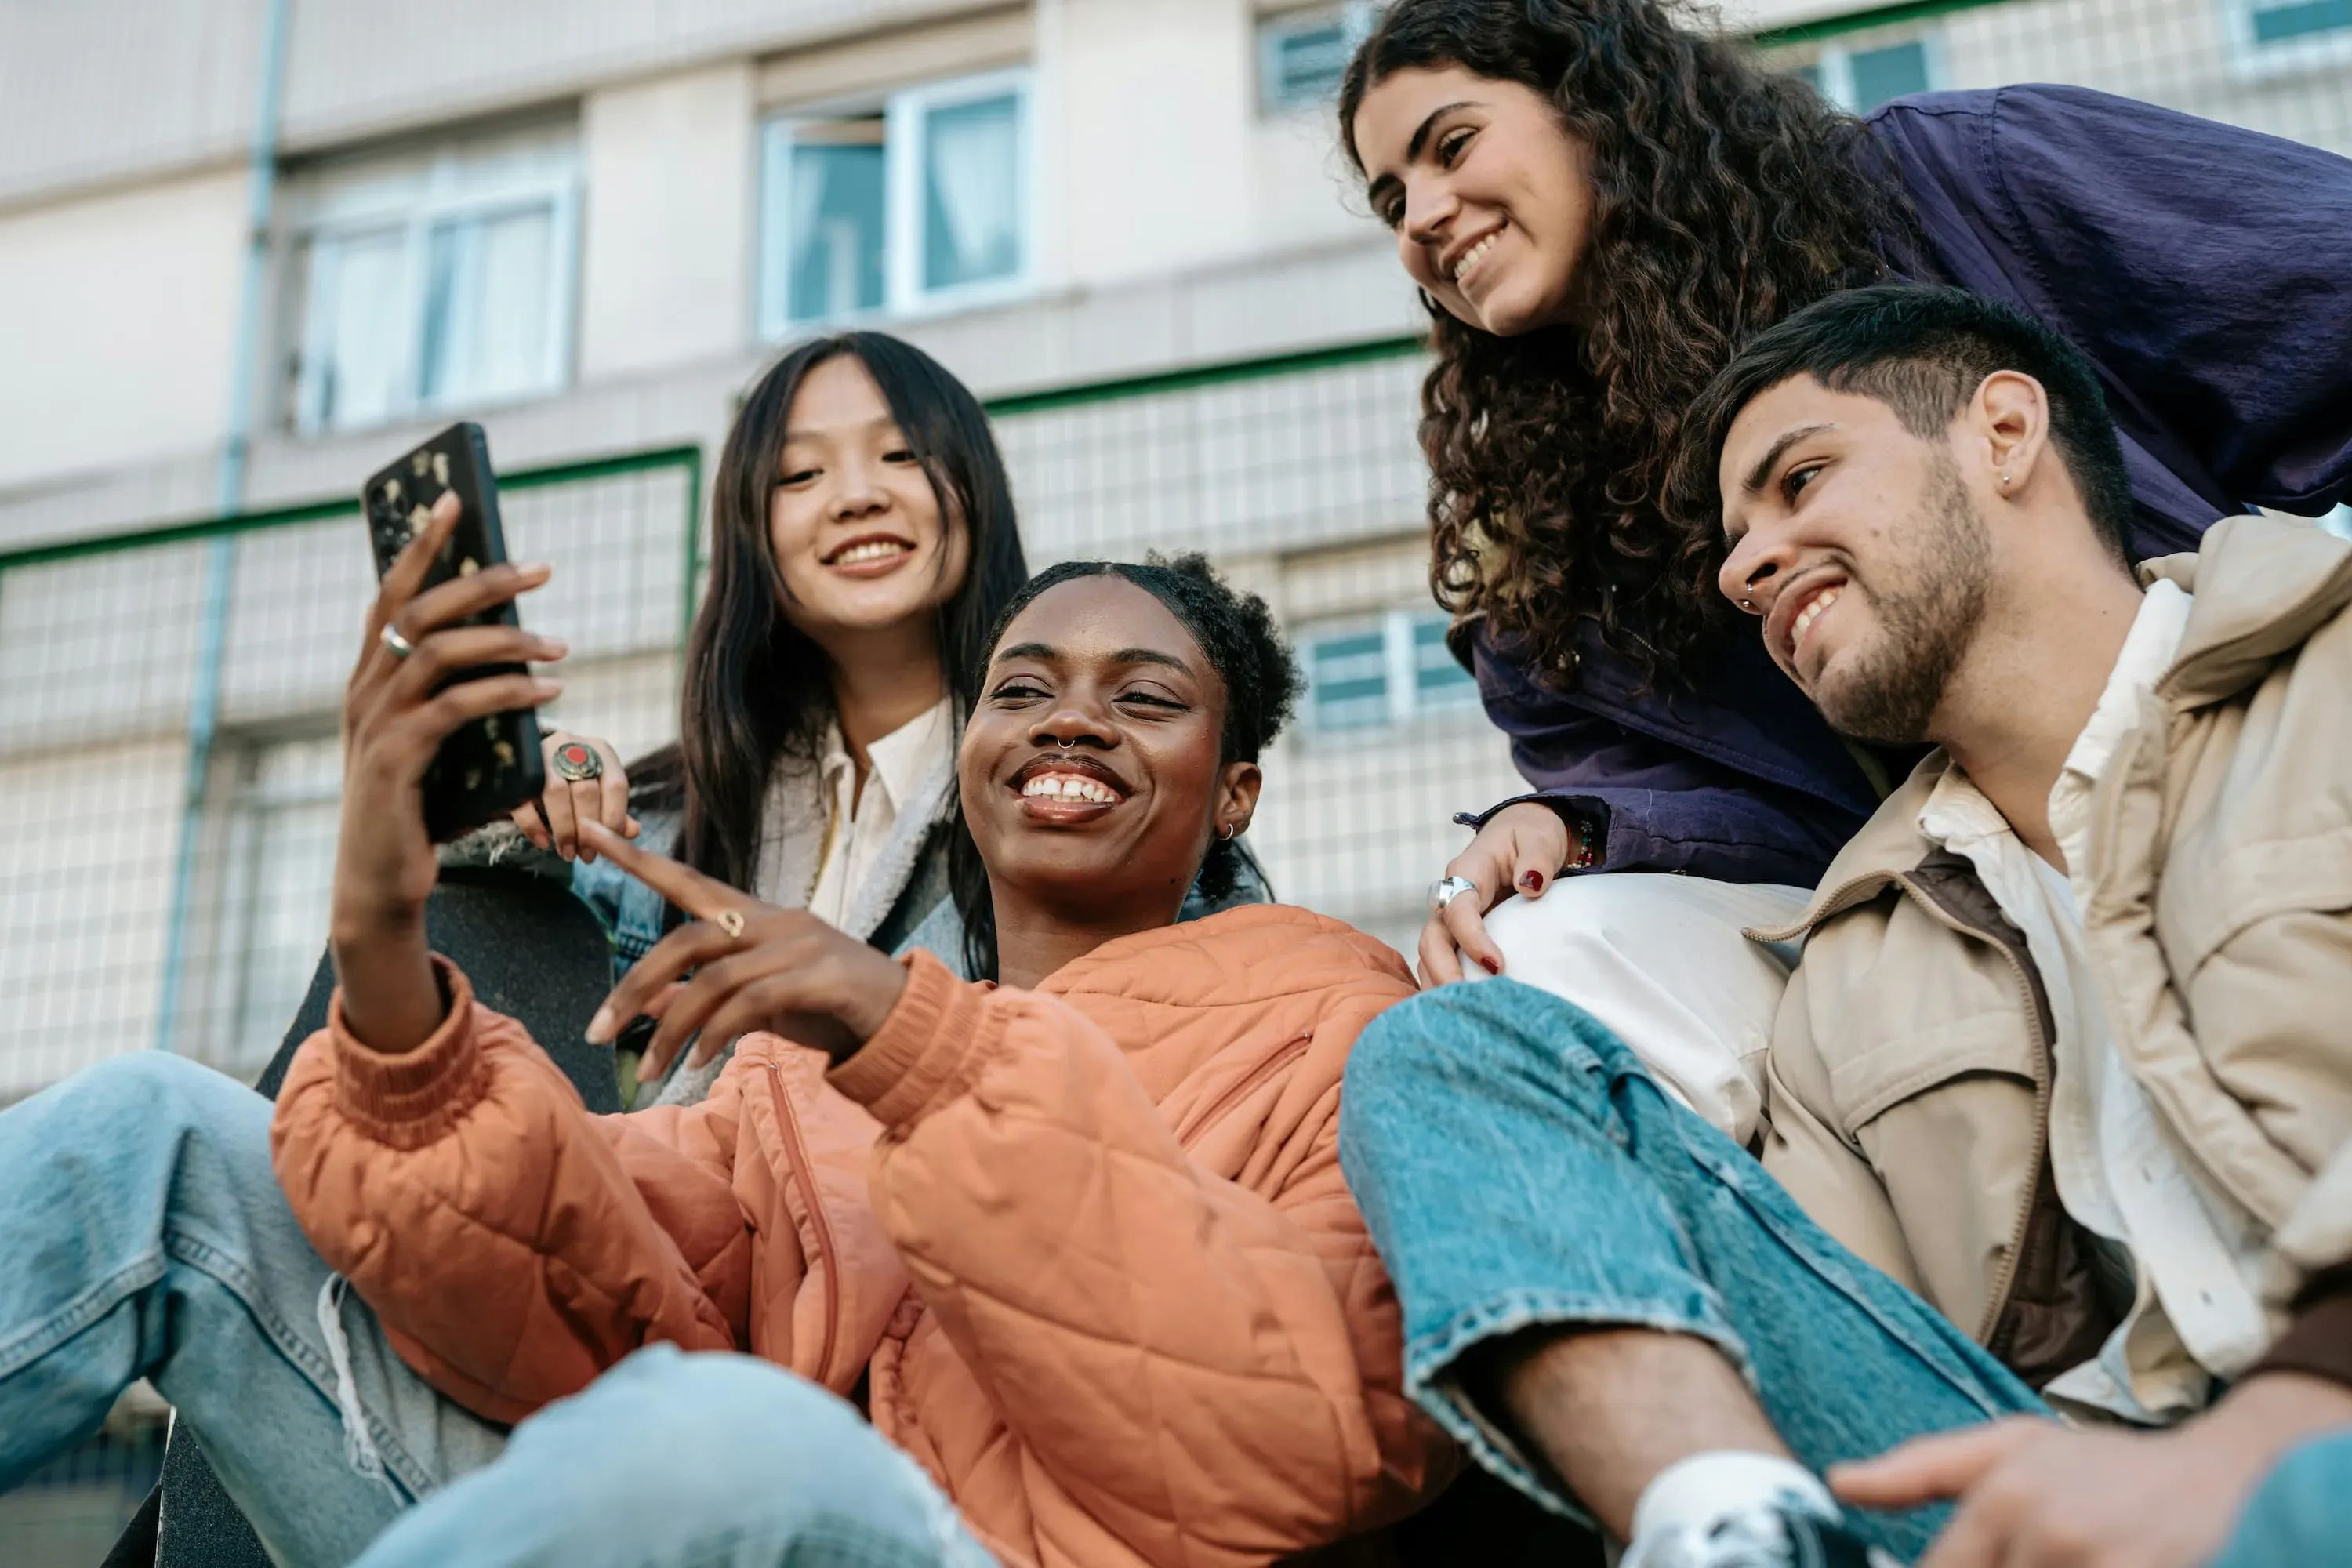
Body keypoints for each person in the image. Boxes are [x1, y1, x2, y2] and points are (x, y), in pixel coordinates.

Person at [0, 507, 1451, 1567]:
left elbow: (1312, 1438)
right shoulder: (815, 1053)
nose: (1070, 725)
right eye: (1021, 690)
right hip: (649, 1518)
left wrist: (918, 1047)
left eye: (1145, 699)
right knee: (149, 1133)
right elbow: (568, 1300)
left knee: (725, 1446)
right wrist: (384, 943)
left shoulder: (1342, 1019)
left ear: (1238, 791)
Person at [1338, 285, 2352, 1566]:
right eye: (1735, 536)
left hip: (2316, 1441)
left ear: (2003, 431)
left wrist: (2276, 1428)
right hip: (2047, 1502)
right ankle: (1735, 1535)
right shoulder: (1855, 964)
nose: (1744, 564)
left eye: (1800, 479)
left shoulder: (2329, 658)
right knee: (1449, 1053)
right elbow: (1851, 1342)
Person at [1339, 0, 2352, 1140]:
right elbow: (1772, 836)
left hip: (2228, 770)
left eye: (1452, 144)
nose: (1422, 216)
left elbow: (2318, 289)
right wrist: (1576, 825)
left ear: (1591, 101)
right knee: (1530, 954)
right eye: (1389, 201)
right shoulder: (1542, 567)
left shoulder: (1951, 187)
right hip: (1939, 941)